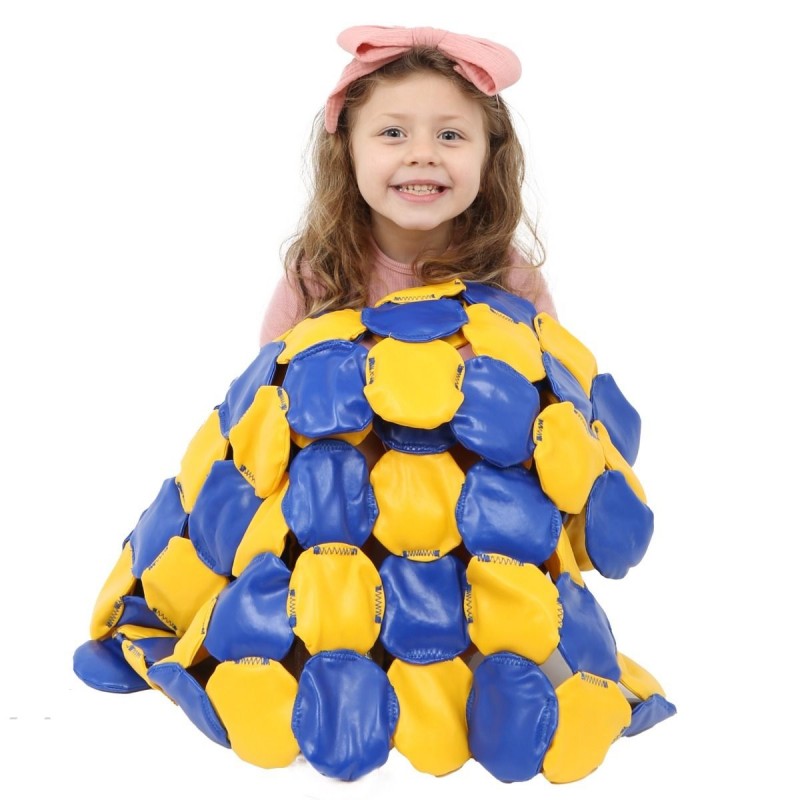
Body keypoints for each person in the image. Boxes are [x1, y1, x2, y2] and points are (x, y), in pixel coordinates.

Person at [258, 25, 557, 347]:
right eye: (393, 133)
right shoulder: (315, 277)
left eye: (450, 135)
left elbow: (557, 374)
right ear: (347, 153)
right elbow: (270, 376)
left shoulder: (512, 276)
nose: (423, 154)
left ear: (489, 159)